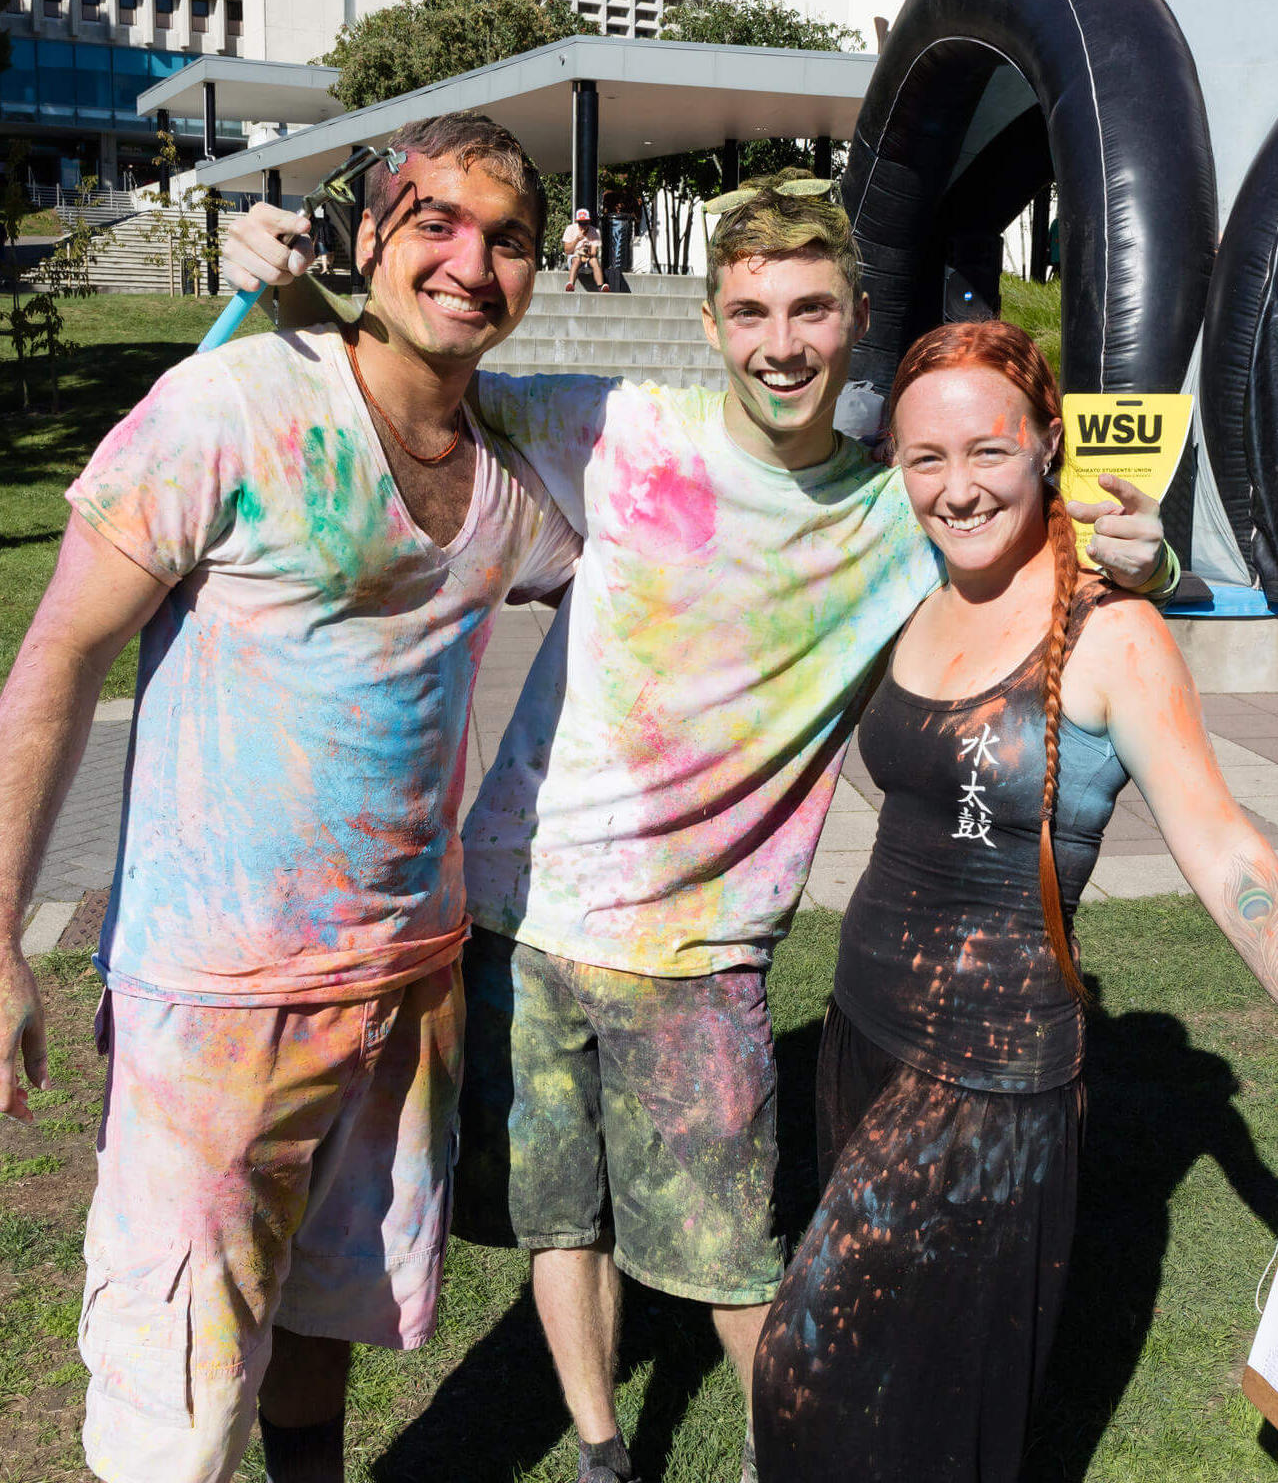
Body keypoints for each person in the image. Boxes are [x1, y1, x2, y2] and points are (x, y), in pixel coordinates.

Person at [222, 176, 1172, 1483]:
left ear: (853, 318)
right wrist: (280, 289)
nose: (780, 340)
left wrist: (1152, 555)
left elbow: (1077, 550)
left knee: (731, 1265)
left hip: (702, 953)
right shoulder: (612, 428)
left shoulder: (896, 504)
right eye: (749, 309)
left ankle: (799, 1455)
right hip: (523, 917)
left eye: (810, 308)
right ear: (712, 321)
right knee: (563, 1225)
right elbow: (401, 390)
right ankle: (606, 1452)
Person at [0, 112, 580, 1483]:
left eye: (507, 238)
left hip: (405, 988)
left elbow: (656, 572)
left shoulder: (507, 481)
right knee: (180, 1393)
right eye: (434, 220)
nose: (468, 261)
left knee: (330, 1308)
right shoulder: (239, 403)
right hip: (218, 1002)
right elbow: (57, 658)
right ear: (368, 229)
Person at [750, 319, 1278, 1483]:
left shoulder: (1112, 633)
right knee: (902, 1381)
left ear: (1046, 447)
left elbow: (1234, 856)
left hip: (987, 1083)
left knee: (810, 1369)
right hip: (861, 1032)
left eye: (987, 450)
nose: (955, 487)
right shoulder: (911, 584)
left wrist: (1158, 569)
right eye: (924, 458)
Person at [563, 206, 609, 292]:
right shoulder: (570, 229)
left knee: (594, 260)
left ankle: (600, 286)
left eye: (585, 223)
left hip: (588, 257)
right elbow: (567, 251)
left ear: (589, 221)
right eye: (581, 223)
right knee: (576, 259)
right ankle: (571, 284)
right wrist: (576, 240)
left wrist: (588, 250)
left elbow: (594, 252)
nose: (583, 226)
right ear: (577, 222)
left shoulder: (595, 231)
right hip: (574, 256)